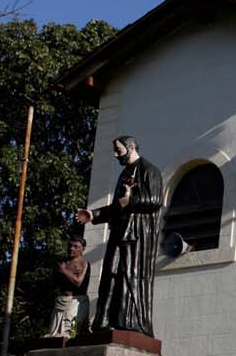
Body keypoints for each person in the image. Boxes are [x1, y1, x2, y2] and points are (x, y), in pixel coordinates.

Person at [76, 135, 164, 336]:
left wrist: (130, 201)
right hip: (119, 234)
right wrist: (93, 214)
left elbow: (155, 199)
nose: (116, 155)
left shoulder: (150, 171)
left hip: (136, 237)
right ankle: (104, 321)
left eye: (118, 150)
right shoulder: (124, 174)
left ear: (130, 147)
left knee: (128, 276)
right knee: (110, 274)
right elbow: (117, 206)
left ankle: (129, 322)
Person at [43, 236, 90, 338]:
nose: (71, 249)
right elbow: (54, 282)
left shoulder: (83, 263)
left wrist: (65, 271)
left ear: (83, 249)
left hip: (76, 301)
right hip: (61, 301)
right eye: (70, 246)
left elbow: (78, 282)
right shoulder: (62, 262)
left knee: (72, 329)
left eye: (76, 246)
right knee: (54, 332)